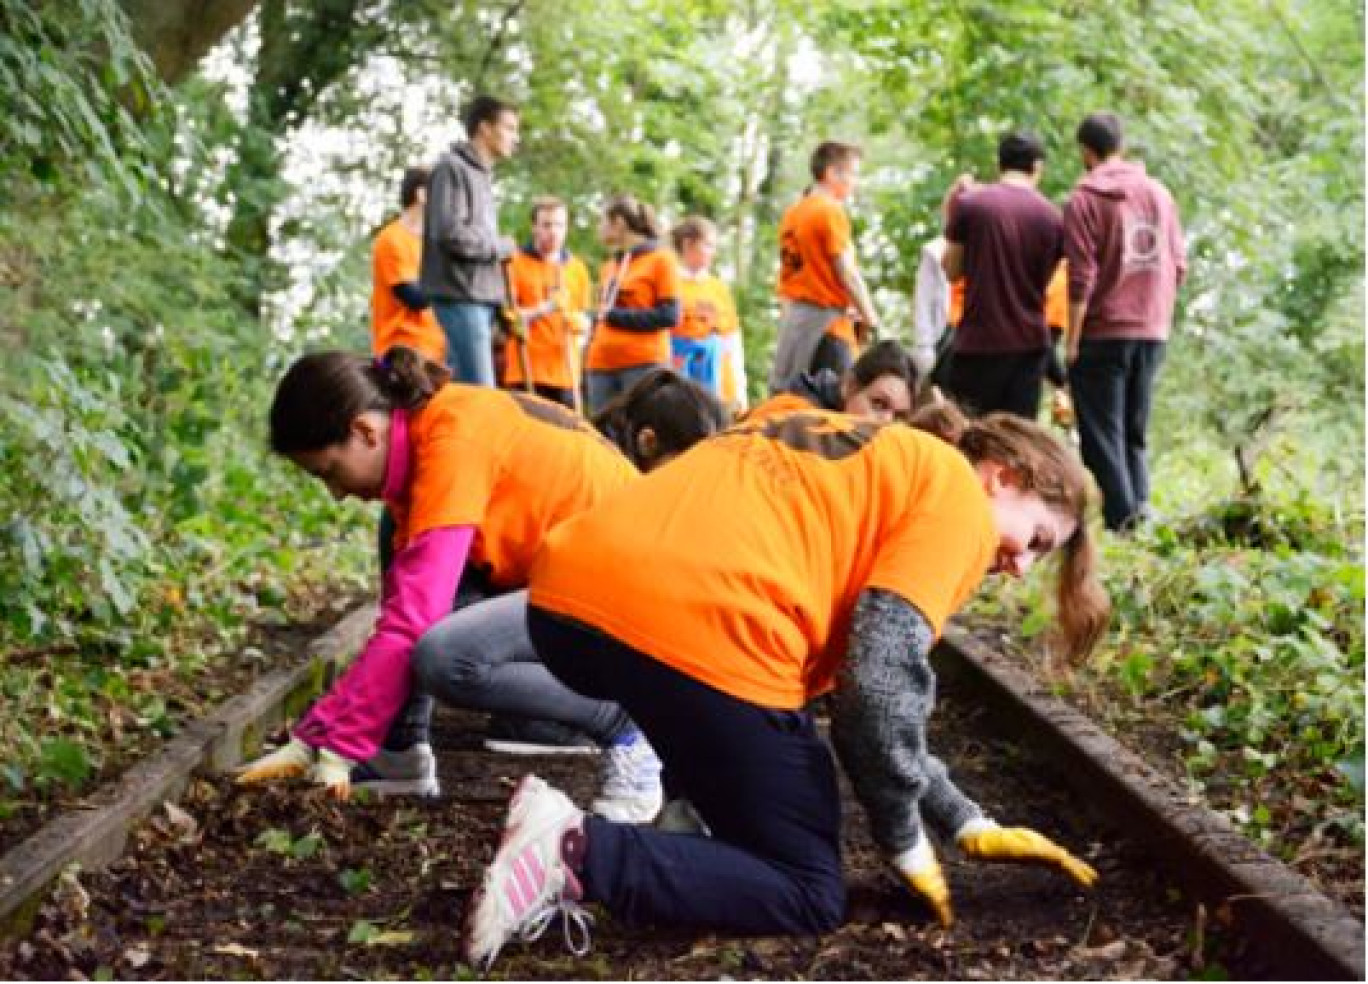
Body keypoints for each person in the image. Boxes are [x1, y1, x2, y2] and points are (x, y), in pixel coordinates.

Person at [461, 408, 1111, 968]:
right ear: (1003, 475)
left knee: (763, 753)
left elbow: (872, 700)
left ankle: (683, 833)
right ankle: (575, 850)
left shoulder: (857, 443)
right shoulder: (959, 502)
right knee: (806, 888)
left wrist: (965, 818)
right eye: (1036, 539)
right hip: (700, 626)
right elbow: (875, 698)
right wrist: (904, 840)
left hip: (568, 603)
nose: (1020, 567)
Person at [234, 347, 667, 819]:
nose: (336, 494)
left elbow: (411, 622)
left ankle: (624, 726)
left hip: (626, 599)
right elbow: (411, 603)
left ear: (365, 431)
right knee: (402, 545)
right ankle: (397, 756)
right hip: (567, 577)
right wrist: (313, 737)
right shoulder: (429, 431)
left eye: (330, 473)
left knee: (448, 656)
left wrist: (337, 746)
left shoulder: (454, 442)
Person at [1063, 112, 1186, 531]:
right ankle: (1142, 516)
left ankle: (1125, 522)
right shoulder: (1160, 195)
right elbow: (1179, 265)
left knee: (1101, 435)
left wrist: (1072, 340)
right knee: (1134, 432)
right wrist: (1157, 315)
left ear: (1086, 151)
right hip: (1152, 330)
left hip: (1103, 330)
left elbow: (1081, 276)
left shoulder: (1084, 199)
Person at [941, 132, 1064, 420]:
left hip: (977, 341)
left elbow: (951, 270)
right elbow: (1045, 282)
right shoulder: (1052, 217)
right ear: (1037, 167)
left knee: (968, 436)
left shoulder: (971, 205)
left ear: (999, 164)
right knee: (1016, 442)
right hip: (1029, 345)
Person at [420, 94, 520, 386]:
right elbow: (453, 235)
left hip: (479, 300)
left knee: (462, 393)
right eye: (510, 128)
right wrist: (500, 246)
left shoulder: (481, 177)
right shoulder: (452, 168)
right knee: (481, 393)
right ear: (485, 128)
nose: (516, 138)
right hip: (460, 297)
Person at [769, 141, 881, 389]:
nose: (855, 182)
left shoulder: (794, 212)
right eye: (852, 174)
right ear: (832, 173)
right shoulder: (829, 212)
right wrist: (870, 316)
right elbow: (846, 271)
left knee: (791, 393)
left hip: (795, 320)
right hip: (826, 324)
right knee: (834, 399)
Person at [583, 196, 681, 414]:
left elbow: (670, 315)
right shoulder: (610, 265)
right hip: (600, 364)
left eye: (602, 222)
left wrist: (614, 316)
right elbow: (602, 313)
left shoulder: (661, 260)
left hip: (642, 362)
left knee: (641, 430)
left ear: (618, 223)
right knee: (602, 437)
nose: (599, 229)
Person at [504, 197, 593, 409]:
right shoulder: (514, 264)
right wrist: (545, 308)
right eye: (546, 225)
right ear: (534, 227)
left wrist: (580, 324)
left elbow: (584, 317)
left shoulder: (576, 268)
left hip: (565, 373)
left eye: (560, 225)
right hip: (527, 369)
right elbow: (507, 317)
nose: (553, 232)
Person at [671, 216, 748, 412]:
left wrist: (740, 389)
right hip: (679, 377)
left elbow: (732, 340)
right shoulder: (670, 284)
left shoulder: (718, 288)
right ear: (688, 244)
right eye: (708, 245)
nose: (713, 252)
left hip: (716, 379)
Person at [371, 167, 445, 364]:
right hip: (402, 352)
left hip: (437, 350)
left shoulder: (433, 242)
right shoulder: (392, 239)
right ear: (421, 195)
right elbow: (413, 297)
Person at [751, 339, 919, 424]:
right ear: (849, 385)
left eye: (898, 417)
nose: (886, 422)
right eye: (879, 404)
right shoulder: (792, 418)